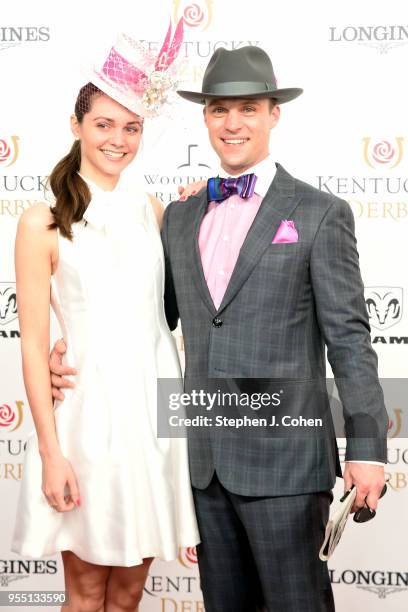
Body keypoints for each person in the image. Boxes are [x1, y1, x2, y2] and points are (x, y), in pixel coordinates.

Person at [51, 46, 388, 611]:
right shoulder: (180, 217)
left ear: (273, 114)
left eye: (249, 108)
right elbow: (142, 313)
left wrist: (370, 448)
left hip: (286, 462)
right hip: (202, 465)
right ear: (205, 116)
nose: (233, 124)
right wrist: (68, 347)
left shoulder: (319, 213)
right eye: (219, 110)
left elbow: (350, 339)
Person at [12, 25, 200, 612]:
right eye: (103, 124)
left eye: (131, 127)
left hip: (154, 424)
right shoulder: (40, 220)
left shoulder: (152, 209)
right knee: (87, 592)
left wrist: (198, 211)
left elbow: (168, 309)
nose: (118, 140)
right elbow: (33, 343)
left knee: (129, 595)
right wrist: (50, 452)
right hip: (89, 426)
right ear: (76, 126)